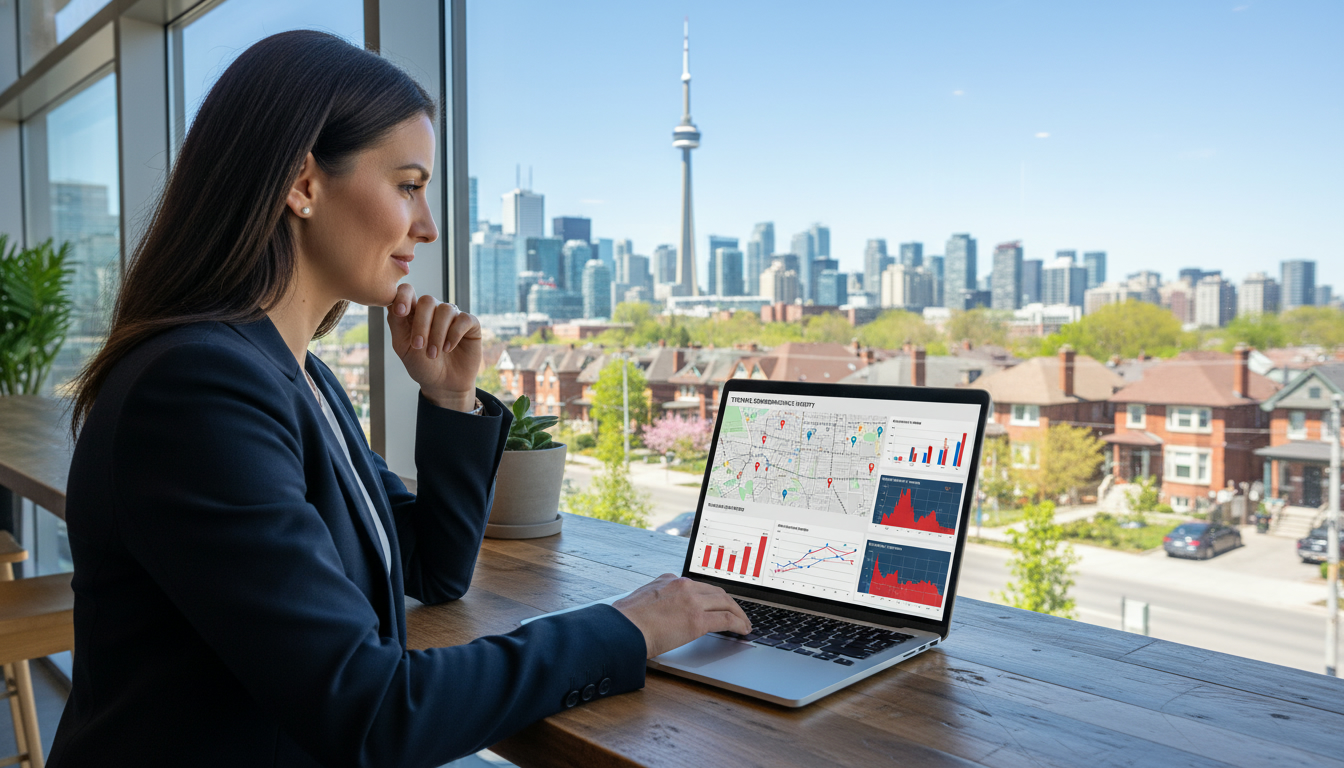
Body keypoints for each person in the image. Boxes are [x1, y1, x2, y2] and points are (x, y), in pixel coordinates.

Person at [50, 31, 749, 767]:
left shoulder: (297, 375)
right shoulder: (198, 392)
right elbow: (372, 711)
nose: (428, 225)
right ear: (303, 184)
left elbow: (429, 569)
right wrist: (626, 627)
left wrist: (449, 400)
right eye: (408, 185)